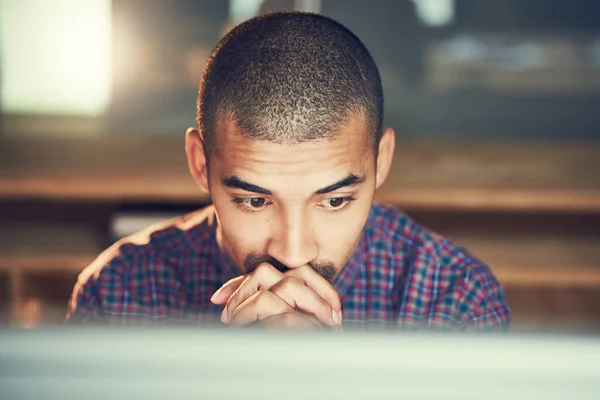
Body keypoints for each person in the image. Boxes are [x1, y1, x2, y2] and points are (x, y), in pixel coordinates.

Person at [66, 12, 510, 331]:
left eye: (334, 200)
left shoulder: (454, 300)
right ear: (201, 164)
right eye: (255, 200)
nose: (295, 252)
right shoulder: (118, 294)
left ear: (382, 162)